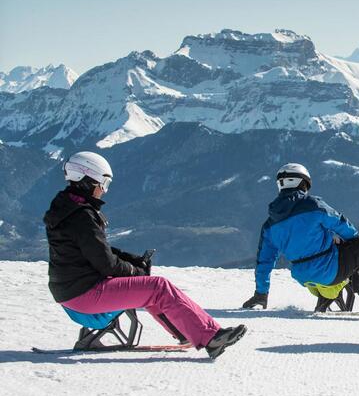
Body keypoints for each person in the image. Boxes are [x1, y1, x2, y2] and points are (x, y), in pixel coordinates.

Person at [43, 151, 246, 359]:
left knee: (149, 289)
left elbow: (92, 250)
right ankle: (211, 338)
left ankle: (187, 332)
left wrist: (130, 261)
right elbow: (105, 263)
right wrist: (134, 270)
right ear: (86, 180)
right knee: (158, 287)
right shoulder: (82, 216)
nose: (104, 190)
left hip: (70, 293)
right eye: (102, 183)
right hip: (84, 296)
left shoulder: (67, 208)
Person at [242, 163, 359, 314]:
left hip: (303, 276)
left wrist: (261, 295)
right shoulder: (312, 205)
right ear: (303, 183)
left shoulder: (270, 224)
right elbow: (342, 225)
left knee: (340, 250)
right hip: (329, 271)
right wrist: (355, 242)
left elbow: (263, 263)